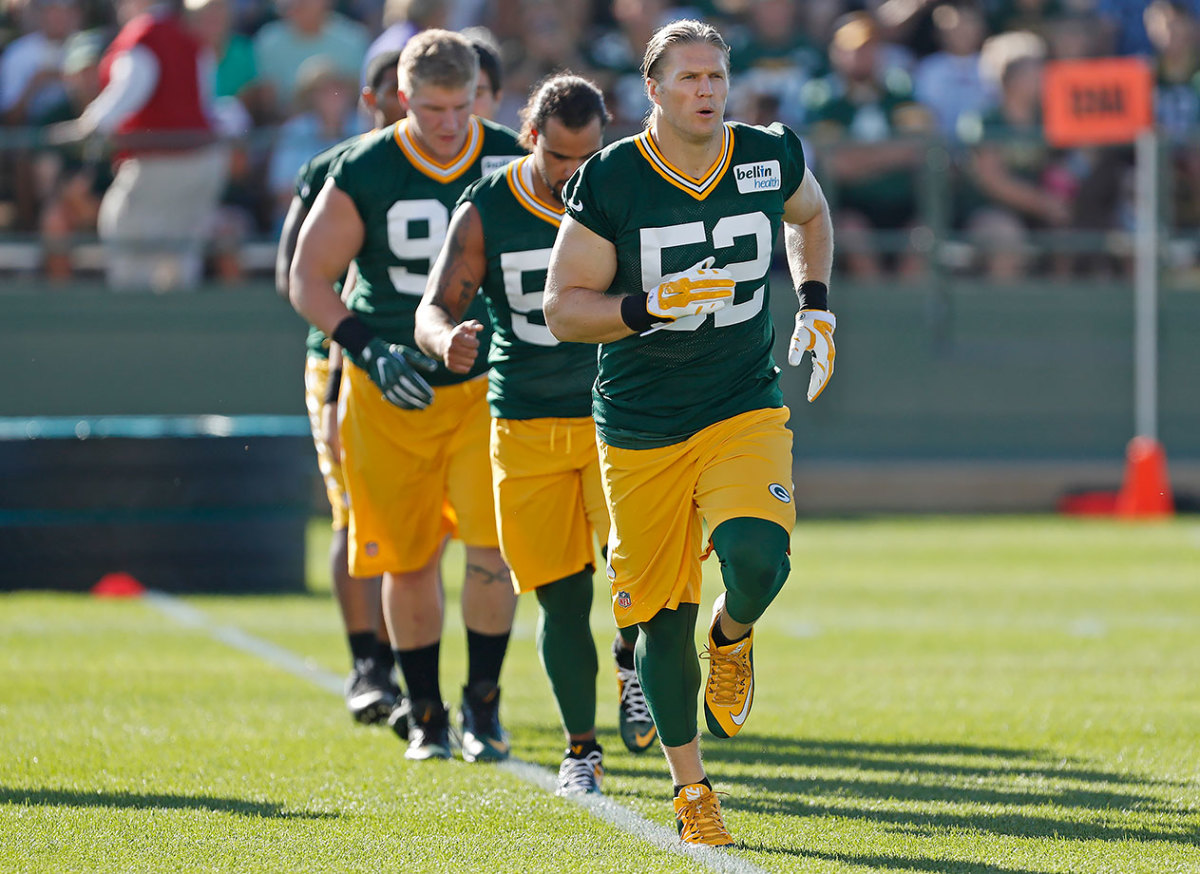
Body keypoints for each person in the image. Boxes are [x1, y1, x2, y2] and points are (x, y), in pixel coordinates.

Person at [543, 20, 836, 846]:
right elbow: (562, 307)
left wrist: (815, 302)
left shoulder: (767, 154)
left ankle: (733, 634)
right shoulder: (614, 178)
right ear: (655, 89)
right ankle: (692, 789)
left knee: (759, 559)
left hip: (740, 399)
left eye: (716, 76)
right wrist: (645, 308)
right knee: (657, 620)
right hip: (641, 424)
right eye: (689, 78)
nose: (706, 91)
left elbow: (810, 218)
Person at [414, 73, 654, 794]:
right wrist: (442, 340)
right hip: (523, 421)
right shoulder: (489, 206)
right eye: (559, 160)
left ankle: (628, 659)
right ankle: (581, 748)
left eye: (587, 158)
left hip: (618, 416)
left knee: (637, 577)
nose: (573, 176)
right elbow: (433, 306)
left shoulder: (628, 190)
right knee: (557, 595)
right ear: (531, 141)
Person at [288, 29, 524, 762]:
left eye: (459, 106)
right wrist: (365, 347)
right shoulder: (364, 166)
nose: (449, 123)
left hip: (487, 386)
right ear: (402, 98)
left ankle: (482, 704)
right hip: (391, 390)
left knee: (491, 553)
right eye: (432, 107)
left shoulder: (512, 156)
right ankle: (426, 713)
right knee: (408, 558)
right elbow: (305, 277)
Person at [275, 49, 403, 726]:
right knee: (355, 512)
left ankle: (411, 663)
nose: (406, 110)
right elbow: (293, 272)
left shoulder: (476, 160)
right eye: (394, 94)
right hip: (345, 356)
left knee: (426, 525)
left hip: (438, 362)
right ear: (372, 98)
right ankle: (369, 663)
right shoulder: (340, 168)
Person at [44, 0, 229, 291]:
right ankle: (178, 322)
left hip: (163, 162)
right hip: (203, 160)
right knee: (180, 250)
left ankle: (133, 321)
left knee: (124, 228)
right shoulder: (189, 37)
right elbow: (205, 102)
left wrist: (87, 127)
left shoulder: (143, 35)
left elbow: (130, 87)